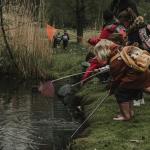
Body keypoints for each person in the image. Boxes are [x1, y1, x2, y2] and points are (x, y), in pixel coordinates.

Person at [94, 40, 150, 121]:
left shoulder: (114, 62)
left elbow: (116, 80)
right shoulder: (119, 50)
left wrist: (111, 89)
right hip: (142, 73)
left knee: (120, 92)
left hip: (134, 77)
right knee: (130, 91)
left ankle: (126, 116)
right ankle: (130, 112)